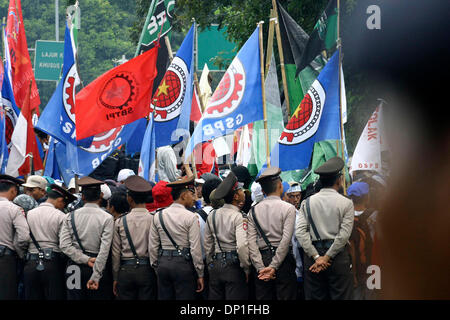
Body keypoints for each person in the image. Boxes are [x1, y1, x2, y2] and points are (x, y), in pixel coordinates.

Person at [296, 157, 354, 300]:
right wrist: (327, 257)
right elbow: (344, 235)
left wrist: (317, 257)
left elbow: (300, 233)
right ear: (339, 180)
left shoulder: (307, 202)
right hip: (338, 258)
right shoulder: (346, 203)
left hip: (312, 259)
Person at [149, 176, 204, 300]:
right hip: (183, 265)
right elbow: (195, 249)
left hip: (163, 264)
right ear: (184, 195)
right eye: (191, 194)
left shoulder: (158, 216)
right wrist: (200, 273)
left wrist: (156, 266)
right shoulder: (190, 217)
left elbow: (153, 246)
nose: (194, 198)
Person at [59, 176, 114, 300]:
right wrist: (96, 275)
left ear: (82, 197)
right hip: (97, 266)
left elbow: (64, 245)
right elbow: (104, 250)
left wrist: (84, 259)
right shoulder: (107, 218)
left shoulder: (69, 216)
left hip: (73, 267)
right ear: (101, 195)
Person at [247, 167, 297, 300]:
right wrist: (274, 266)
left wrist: (260, 268)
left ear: (262, 191)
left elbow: (251, 243)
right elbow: (286, 240)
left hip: (262, 260)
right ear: (280, 186)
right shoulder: (288, 208)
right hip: (284, 260)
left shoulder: (252, 211)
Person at [23, 184, 76, 300]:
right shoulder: (62, 216)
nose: (63, 207)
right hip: (53, 263)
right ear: (60, 200)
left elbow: (22, 239)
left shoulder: (29, 214)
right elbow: (64, 244)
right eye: (63, 204)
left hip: (31, 263)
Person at [205, 172, 250, 300]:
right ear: (236, 196)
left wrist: (210, 264)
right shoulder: (238, 217)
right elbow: (242, 246)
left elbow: (208, 245)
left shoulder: (212, 215)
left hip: (216, 264)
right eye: (241, 190)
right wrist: (246, 268)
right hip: (233, 266)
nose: (243, 193)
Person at [112, 176, 157, 300]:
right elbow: (154, 248)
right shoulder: (154, 219)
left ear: (129, 199)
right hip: (147, 269)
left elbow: (116, 253)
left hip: (125, 270)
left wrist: (115, 277)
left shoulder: (120, 221)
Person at [0, 175, 29, 300]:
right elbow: (23, 237)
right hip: (5, 258)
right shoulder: (14, 209)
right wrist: (20, 254)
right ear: (13, 191)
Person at [347, 181, 375, 300]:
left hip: (355, 268)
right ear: (367, 197)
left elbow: (350, 247)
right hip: (374, 267)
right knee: (372, 294)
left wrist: (353, 274)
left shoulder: (347, 218)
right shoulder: (375, 216)